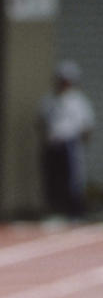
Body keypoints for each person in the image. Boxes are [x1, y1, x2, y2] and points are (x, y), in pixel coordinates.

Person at [39, 62, 95, 220]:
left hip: (70, 144)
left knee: (73, 179)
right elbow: (41, 122)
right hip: (52, 144)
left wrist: (80, 144)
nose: (63, 83)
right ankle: (55, 210)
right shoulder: (49, 100)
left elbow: (87, 126)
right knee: (52, 178)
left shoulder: (79, 101)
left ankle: (75, 212)